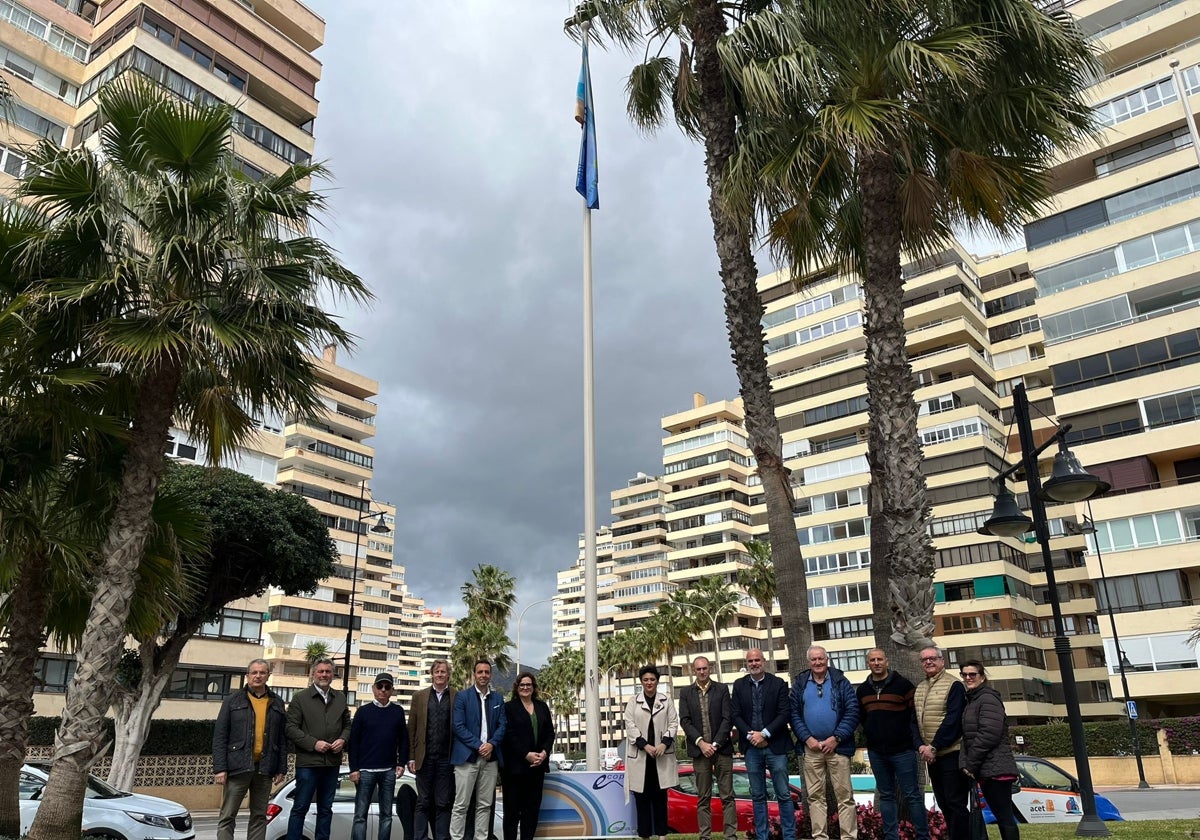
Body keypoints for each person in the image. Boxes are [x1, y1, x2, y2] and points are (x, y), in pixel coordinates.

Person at [856, 649, 929, 840]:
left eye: (880, 659)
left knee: (912, 795)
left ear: (887, 662)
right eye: (873, 660)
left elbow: (914, 716)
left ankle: (923, 836)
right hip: (877, 752)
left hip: (903, 750)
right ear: (868, 663)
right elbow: (862, 719)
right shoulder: (863, 690)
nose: (877, 662)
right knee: (886, 796)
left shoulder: (903, 686)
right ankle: (891, 836)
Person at [212, 658, 288, 840]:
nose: (258, 676)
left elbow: (282, 738)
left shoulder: (277, 702)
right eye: (254, 672)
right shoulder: (232, 700)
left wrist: (281, 768)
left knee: (259, 816)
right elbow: (220, 735)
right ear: (247, 676)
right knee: (228, 815)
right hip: (237, 767)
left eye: (262, 672)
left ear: (268, 676)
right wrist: (220, 768)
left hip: (265, 768)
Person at [791, 646, 860, 840]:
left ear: (827, 659)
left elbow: (852, 711)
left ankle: (849, 837)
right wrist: (807, 738)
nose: (817, 662)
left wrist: (836, 738)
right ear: (809, 662)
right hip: (811, 749)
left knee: (845, 798)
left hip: (838, 748)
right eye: (814, 659)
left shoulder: (841, 681)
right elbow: (794, 714)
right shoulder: (800, 683)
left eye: (821, 658)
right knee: (815, 798)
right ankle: (820, 837)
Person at [731, 648, 796, 840]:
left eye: (757, 660)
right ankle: (762, 836)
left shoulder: (778, 684)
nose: (754, 664)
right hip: (751, 748)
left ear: (764, 661)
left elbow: (785, 713)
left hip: (775, 746)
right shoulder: (739, 685)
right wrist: (752, 735)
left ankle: (789, 836)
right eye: (750, 661)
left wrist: (765, 734)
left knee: (783, 794)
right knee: (758, 796)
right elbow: (735, 714)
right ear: (747, 663)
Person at [285, 657, 352, 840]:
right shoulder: (300, 698)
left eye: (328, 671)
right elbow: (290, 728)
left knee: (326, 809)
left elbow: (347, 725)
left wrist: (343, 740)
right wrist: (313, 743)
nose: (324, 674)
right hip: (308, 764)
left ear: (333, 675)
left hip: (331, 763)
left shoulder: (340, 698)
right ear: (314, 673)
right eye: (321, 671)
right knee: (300, 808)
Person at [959, 662, 1020, 840]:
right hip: (987, 769)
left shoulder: (987, 698)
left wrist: (971, 764)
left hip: (997, 770)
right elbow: (968, 737)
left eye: (973, 674)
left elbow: (989, 734)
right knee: (1003, 816)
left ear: (982, 677)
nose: (968, 678)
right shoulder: (973, 699)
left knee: (1004, 817)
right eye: (964, 674)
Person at [678, 656, 737, 840]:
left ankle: (731, 836)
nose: (702, 672)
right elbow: (685, 721)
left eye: (704, 668)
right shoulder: (686, 692)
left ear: (709, 668)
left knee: (728, 796)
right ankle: (705, 836)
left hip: (722, 750)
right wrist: (701, 743)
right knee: (703, 797)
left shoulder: (721, 689)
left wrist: (715, 744)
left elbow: (728, 718)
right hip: (699, 751)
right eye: (698, 669)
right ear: (693, 671)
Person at [914, 646, 969, 840]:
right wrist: (921, 745)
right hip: (931, 756)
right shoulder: (920, 687)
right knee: (944, 802)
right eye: (924, 660)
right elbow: (915, 720)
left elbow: (953, 721)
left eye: (932, 658)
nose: (928, 662)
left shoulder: (953, 685)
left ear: (942, 661)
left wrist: (934, 746)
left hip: (951, 753)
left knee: (956, 803)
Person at [349, 672, 411, 840]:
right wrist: (353, 768)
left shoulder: (397, 711)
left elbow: (403, 740)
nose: (383, 690)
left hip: (388, 771)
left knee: (387, 815)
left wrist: (401, 763)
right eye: (380, 686)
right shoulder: (362, 712)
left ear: (391, 690)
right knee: (360, 815)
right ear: (373, 688)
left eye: (387, 687)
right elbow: (353, 742)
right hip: (365, 771)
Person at [450, 659, 507, 840]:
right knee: (461, 804)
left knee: (485, 805)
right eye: (480, 672)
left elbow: (503, 725)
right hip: (467, 758)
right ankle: (456, 838)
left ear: (490, 675)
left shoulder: (498, 698)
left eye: (486, 672)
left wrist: (491, 744)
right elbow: (458, 726)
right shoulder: (462, 696)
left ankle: (481, 838)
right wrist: (479, 746)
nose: (483, 675)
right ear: (474, 674)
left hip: (490, 759)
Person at [623, 665, 679, 840]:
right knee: (642, 800)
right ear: (641, 682)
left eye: (652, 679)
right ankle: (645, 836)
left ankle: (662, 835)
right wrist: (644, 745)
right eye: (646, 679)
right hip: (641, 757)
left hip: (661, 757)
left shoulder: (666, 700)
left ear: (657, 681)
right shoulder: (633, 702)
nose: (649, 683)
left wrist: (664, 744)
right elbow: (629, 725)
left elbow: (673, 723)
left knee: (660, 799)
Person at [499, 671, 555, 840]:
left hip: (537, 769)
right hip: (514, 770)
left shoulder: (542, 706)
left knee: (531, 813)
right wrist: (526, 754)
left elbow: (550, 733)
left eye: (528, 685)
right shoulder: (509, 708)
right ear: (517, 687)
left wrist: (544, 753)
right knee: (512, 813)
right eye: (522, 685)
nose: (525, 688)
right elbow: (508, 735)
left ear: (533, 687)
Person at [408, 660, 456, 840]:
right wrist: (411, 757)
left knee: (443, 803)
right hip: (424, 758)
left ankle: (442, 838)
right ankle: (420, 837)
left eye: (443, 671)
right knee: (423, 801)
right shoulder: (419, 696)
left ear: (448, 674)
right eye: (437, 671)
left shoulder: (456, 696)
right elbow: (411, 728)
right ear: (432, 674)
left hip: (446, 759)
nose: (440, 674)